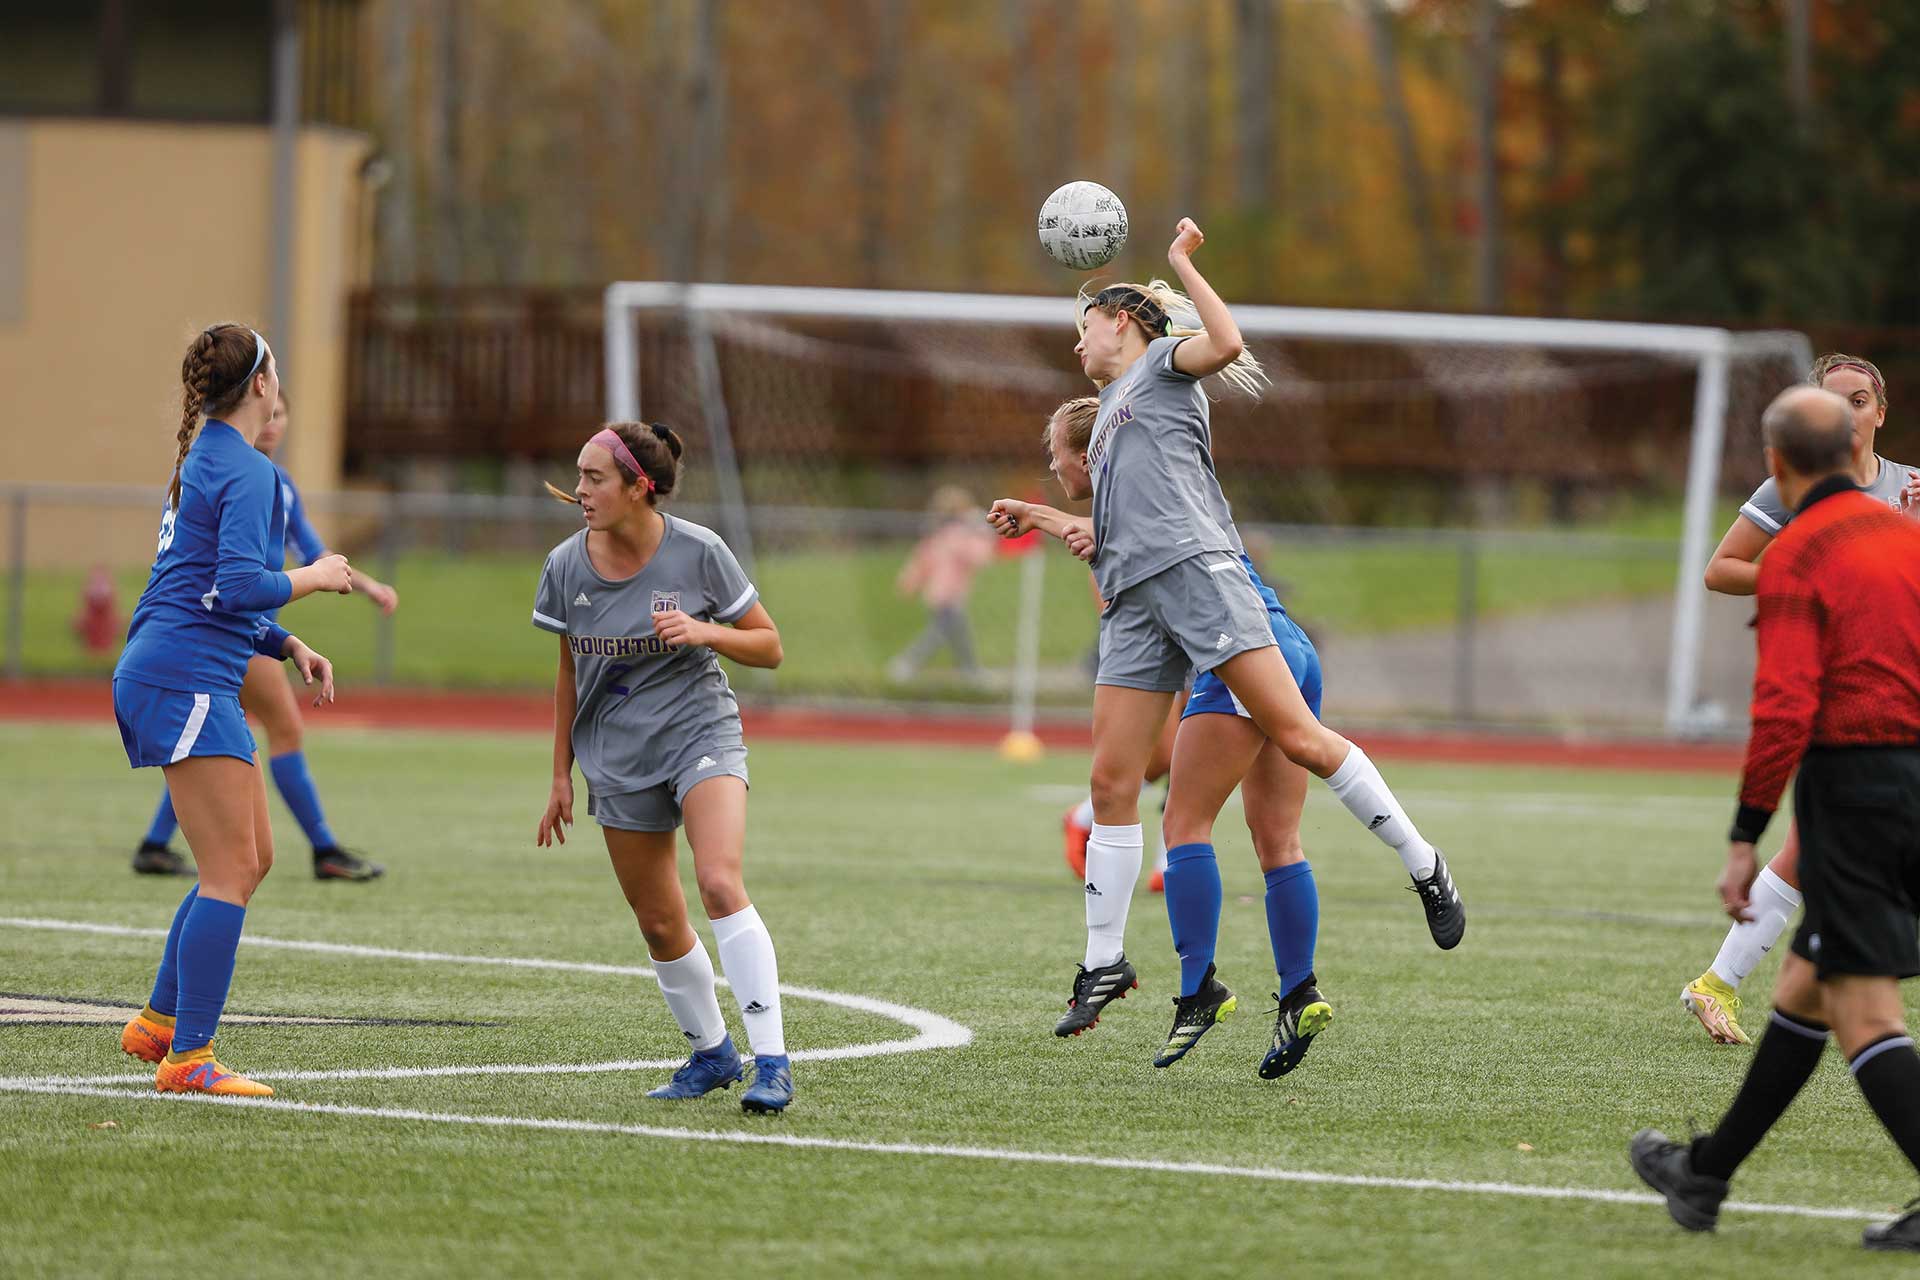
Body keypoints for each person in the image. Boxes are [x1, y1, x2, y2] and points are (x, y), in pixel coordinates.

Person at [991, 224, 1462, 1061]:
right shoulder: (1103, 424)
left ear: (1126, 324)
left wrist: (1180, 265)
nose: (1076, 342)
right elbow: (1116, 535)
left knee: (1301, 741)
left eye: (1086, 326)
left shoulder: (1164, 371)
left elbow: (1228, 341)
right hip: (1138, 604)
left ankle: (1424, 861)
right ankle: (1104, 963)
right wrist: (1046, 516)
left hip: (1202, 581)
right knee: (1110, 778)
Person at [1631, 385, 1920, 1252]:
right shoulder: (1910, 541)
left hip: (1864, 794)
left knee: (1865, 1016)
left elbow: (1787, 706)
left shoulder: (1801, 556)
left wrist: (1743, 835)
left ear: (1775, 464)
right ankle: (1706, 1174)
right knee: (1805, 990)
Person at [999, 395, 1338, 1075]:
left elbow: (1145, 590)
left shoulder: (1135, 491)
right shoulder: (1160, 474)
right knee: (1276, 839)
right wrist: (1048, 518)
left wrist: (1066, 529)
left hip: (1237, 657)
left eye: (1057, 455)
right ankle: (1300, 991)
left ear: (1088, 454)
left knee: (1180, 819)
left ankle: (1194, 990)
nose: (1052, 465)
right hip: (1286, 645)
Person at [114, 324, 353, 1097]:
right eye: (275, 369)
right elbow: (243, 583)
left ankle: (158, 1022)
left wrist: (285, 644)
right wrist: (315, 575)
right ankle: (190, 1059)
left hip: (187, 668)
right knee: (227, 871)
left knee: (249, 861)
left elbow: (217, 588)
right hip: (183, 674)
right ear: (260, 386)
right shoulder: (243, 468)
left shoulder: (207, 458)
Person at [533, 422, 794, 1114]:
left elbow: (768, 647)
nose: (580, 490)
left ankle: (773, 1061)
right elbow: (567, 674)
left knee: (717, 881)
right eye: (580, 476)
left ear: (637, 488)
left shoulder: (700, 551)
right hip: (614, 756)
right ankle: (712, 1054)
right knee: (657, 922)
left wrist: (707, 631)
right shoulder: (564, 566)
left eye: (594, 478)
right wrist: (559, 775)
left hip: (699, 733)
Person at [1682, 354, 1920, 1045]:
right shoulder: (1794, 486)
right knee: (1814, 853)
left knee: (1809, 854)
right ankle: (1737, 986)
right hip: (1850, 697)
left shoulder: (1912, 489)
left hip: (1901, 693)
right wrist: (1807, 578)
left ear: (1881, 410)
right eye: (1832, 401)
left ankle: (1723, 985)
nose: (1847, 413)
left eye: (1859, 399)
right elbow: (1723, 569)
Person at [133, 389, 399, 881]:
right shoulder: (243, 473)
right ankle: (324, 849)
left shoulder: (242, 474)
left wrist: (362, 588)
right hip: (219, 637)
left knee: (216, 746)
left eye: (282, 415)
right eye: (269, 409)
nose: (273, 421)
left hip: (239, 635)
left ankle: (154, 842)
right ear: (254, 396)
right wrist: (300, 605)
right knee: (276, 735)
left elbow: (320, 558)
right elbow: (237, 586)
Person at [887, 485, 995, 682]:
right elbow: (978, 557)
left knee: (957, 634)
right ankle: (907, 662)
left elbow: (921, 562)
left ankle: (969, 670)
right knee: (940, 634)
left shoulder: (937, 536)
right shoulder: (958, 536)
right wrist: (983, 532)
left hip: (939, 595)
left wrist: (909, 582)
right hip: (948, 595)